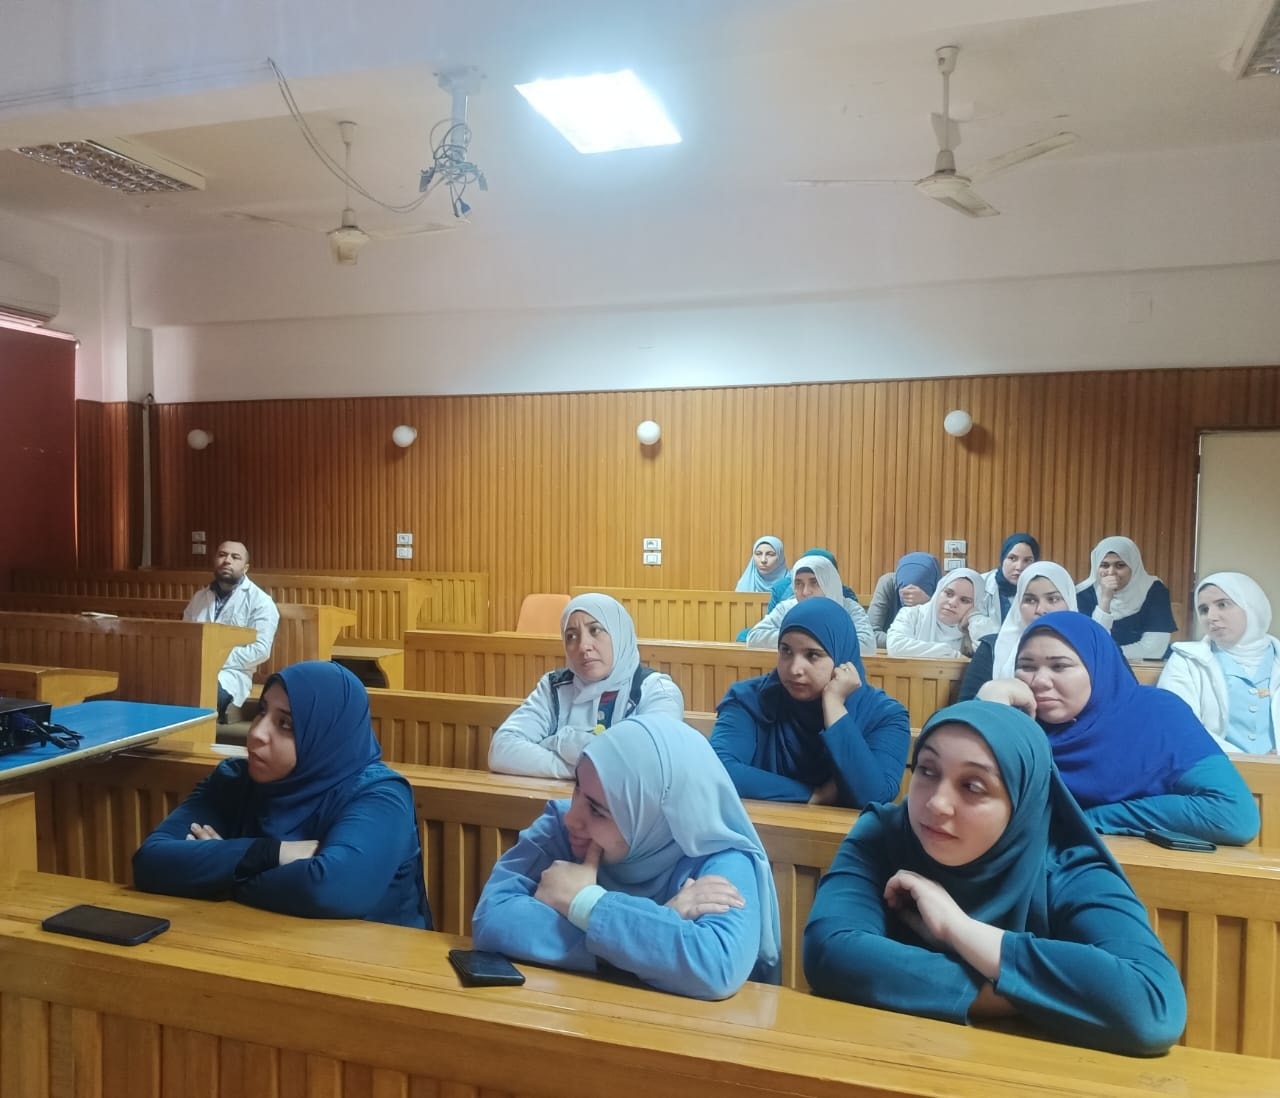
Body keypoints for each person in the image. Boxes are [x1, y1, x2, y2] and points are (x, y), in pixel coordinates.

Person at [802, 700, 1187, 1057]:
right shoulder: (884, 832)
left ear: (1021, 799)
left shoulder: (1068, 868)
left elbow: (1151, 1008)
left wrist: (960, 930)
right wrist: (1020, 995)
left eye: (973, 786)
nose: (936, 803)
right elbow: (830, 950)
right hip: (894, 1063)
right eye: (927, 771)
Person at [471, 715, 781, 1001]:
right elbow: (492, 918)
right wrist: (657, 925)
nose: (572, 818)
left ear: (654, 814)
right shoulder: (559, 826)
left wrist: (584, 904)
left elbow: (717, 967)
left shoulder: (722, 857)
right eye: (577, 787)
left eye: (597, 811)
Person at [132, 661, 431, 928]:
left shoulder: (380, 795)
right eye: (261, 711)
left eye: (285, 724)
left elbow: (329, 889)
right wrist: (272, 853)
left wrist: (217, 873)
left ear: (325, 735)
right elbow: (151, 862)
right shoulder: (234, 779)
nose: (256, 733)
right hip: (256, 947)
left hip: (374, 964)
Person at [977, 612, 1258, 844]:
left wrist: (1093, 819)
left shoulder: (1156, 715)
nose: (1039, 681)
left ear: (1098, 667)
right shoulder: (1017, 723)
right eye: (1026, 666)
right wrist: (989, 704)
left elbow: (1234, 815)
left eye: (1059, 666)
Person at [712, 598, 909, 808]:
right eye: (786, 651)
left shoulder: (886, 716)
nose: (794, 669)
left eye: (813, 655)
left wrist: (834, 705)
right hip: (755, 827)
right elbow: (715, 769)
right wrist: (812, 795)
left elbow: (873, 796)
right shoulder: (749, 699)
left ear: (842, 658)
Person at [488, 593, 684, 779]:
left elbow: (651, 761)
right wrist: (581, 771)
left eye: (595, 630)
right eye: (571, 636)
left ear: (619, 633)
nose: (583, 646)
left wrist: (560, 742)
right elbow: (502, 750)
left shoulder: (657, 691)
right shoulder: (554, 687)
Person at [1158, 572, 1279, 755]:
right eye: (1203, 610)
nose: (1211, 617)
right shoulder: (1186, 660)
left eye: (1223, 604)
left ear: (1251, 606)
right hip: (1213, 765)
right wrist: (1248, 762)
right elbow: (1178, 726)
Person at [181, 540, 280, 723]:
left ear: (245, 568)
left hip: (231, 676)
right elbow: (184, 637)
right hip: (192, 670)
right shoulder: (199, 598)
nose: (227, 560)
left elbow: (260, 650)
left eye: (235, 557)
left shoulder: (261, 602)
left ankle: (196, 738)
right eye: (222, 555)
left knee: (202, 695)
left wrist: (214, 659)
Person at [959, 562, 1077, 701]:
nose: (1040, 609)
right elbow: (967, 708)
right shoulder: (992, 649)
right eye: (1030, 600)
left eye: (1053, 599)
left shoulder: (1085, 649)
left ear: (1069, 601)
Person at [745, 555, 875, 654]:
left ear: (829, 584)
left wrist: (797, 641)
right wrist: (806, 638)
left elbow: (866, 645)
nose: (805, 592)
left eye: (814, 582)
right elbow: (755, 637)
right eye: (798, 584)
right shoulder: (787, 607)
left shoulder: (850, 608)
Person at [1075, 536, 1177, 660]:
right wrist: (1105, 600)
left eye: (1120, 565)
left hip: (1144, 667)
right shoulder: (1082, 594)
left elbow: (1154, 649)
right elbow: (1092, 644)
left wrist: (1107, 653)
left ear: (1133, 566)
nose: (1111, 572)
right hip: (1098, 666)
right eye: (1104, 565)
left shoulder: (1154, 590)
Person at [885, 567, 997, 658]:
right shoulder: (911, 615)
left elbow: (993, 654)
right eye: (949, 594)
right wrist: (952, 654)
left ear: (975, 604)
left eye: (964, 600)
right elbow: (896, 647)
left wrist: (974, 616)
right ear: (939, 591)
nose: (952, 603)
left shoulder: (975, 627)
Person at [867, 552, 942, 648]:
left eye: (919, 589)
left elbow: (948, 639)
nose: (911, 595)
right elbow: (870, 635)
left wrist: (928, 604)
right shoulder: (888, 583)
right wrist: (906, 644)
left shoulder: (945, 591)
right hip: (891, 653)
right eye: (905, 590)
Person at [979, 533, 1041, 624]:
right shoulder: (980, 584)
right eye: (1012, 558)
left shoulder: (1042, 589)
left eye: (1027, 560)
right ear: (1003, 559)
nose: (1019, 567)